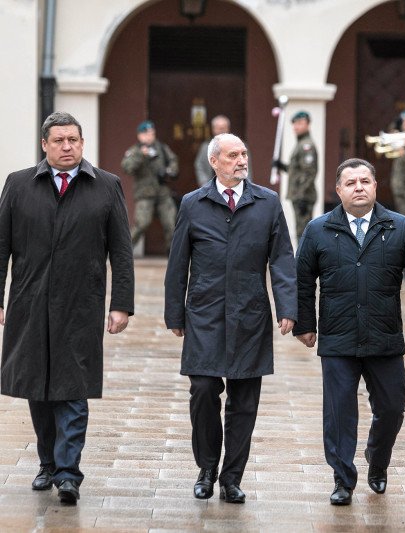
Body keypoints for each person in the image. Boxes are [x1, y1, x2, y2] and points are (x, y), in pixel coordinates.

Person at [0, 111, 134, 505]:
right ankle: (47, 463)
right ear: (45, 144)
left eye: (73, 140)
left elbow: (121, 252)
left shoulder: (106, 186)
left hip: (81, 304)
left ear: (82, 142)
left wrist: (121, 304)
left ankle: (68, 472)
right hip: (30, 302)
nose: (66, 147)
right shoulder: (19, 184)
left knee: (74, 390)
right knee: (37, 388)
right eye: (58, 141)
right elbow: (1, 248)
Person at [293, 158, 405, 506]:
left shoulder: (399, 226)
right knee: (339, 413)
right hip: (338, 337)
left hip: (383, 335)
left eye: (365, 181)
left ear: (376, 187)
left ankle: (378, 458)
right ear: (339, 190)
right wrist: (304, 324)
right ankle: (343, 479)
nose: (359, 187)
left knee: (392, 407)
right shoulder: (318, 230)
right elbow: (301, 281)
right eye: (351, 182)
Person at [164, 133, 297, 504]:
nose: (241, 160)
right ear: (214, 162)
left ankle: (232, 477)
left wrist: (288, 307)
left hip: (250, 313)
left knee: (244, 399)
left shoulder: (267, 203)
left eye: (244, 153)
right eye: (233, 155)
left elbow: (283, 259)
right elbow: (178, 263)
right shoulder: (193, 204)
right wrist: (174, 312)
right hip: (204, 313)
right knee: (203, 390)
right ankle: (206, 468)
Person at [122, 120, 179, 253]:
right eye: (146, 134)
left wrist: (169, 170)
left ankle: (173, 253)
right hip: (144, 193)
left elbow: (173, 161)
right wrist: (141, 155)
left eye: (152, 133)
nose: (149, 136)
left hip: (163, 192)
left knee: (171, 223)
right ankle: (124, 251)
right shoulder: (135, 150)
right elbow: (127, 167)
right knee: (142, 223)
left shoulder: (162, 148)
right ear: (140, 136)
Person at [275, 111, 318, 240]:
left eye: (300, 123)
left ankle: (303, 260)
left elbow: (309, 173)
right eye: (295, 124)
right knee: (300, 231)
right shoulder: (300, 143)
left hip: (303, 196)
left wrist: (302, 196)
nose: (296, 127)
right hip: (299, 195)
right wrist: (282, 166)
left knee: (303, 233)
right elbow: (297, 170)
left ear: (308, 124)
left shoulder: (306, 145)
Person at [195, 115, 231, 186]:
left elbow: (246, 168)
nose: (221, 131)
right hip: (211, 186)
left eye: (223, 128)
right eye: (218, 128)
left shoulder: (238, 145)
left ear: (228, 129)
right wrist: (204, 183)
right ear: (213, 129)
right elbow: (199, 165)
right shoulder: (206, 146)